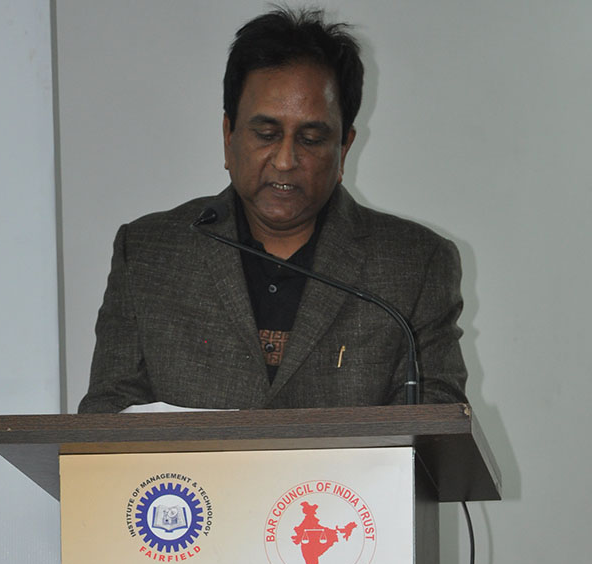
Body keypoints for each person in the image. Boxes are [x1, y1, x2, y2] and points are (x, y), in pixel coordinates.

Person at [78, 7, 467, 413]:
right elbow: (106, 418)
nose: (284, 161)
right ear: (228, 136)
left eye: (311, 139)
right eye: (266, 134)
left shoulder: (415, 264)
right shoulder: (149, 254)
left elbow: (436, 430)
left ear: (344, 148)